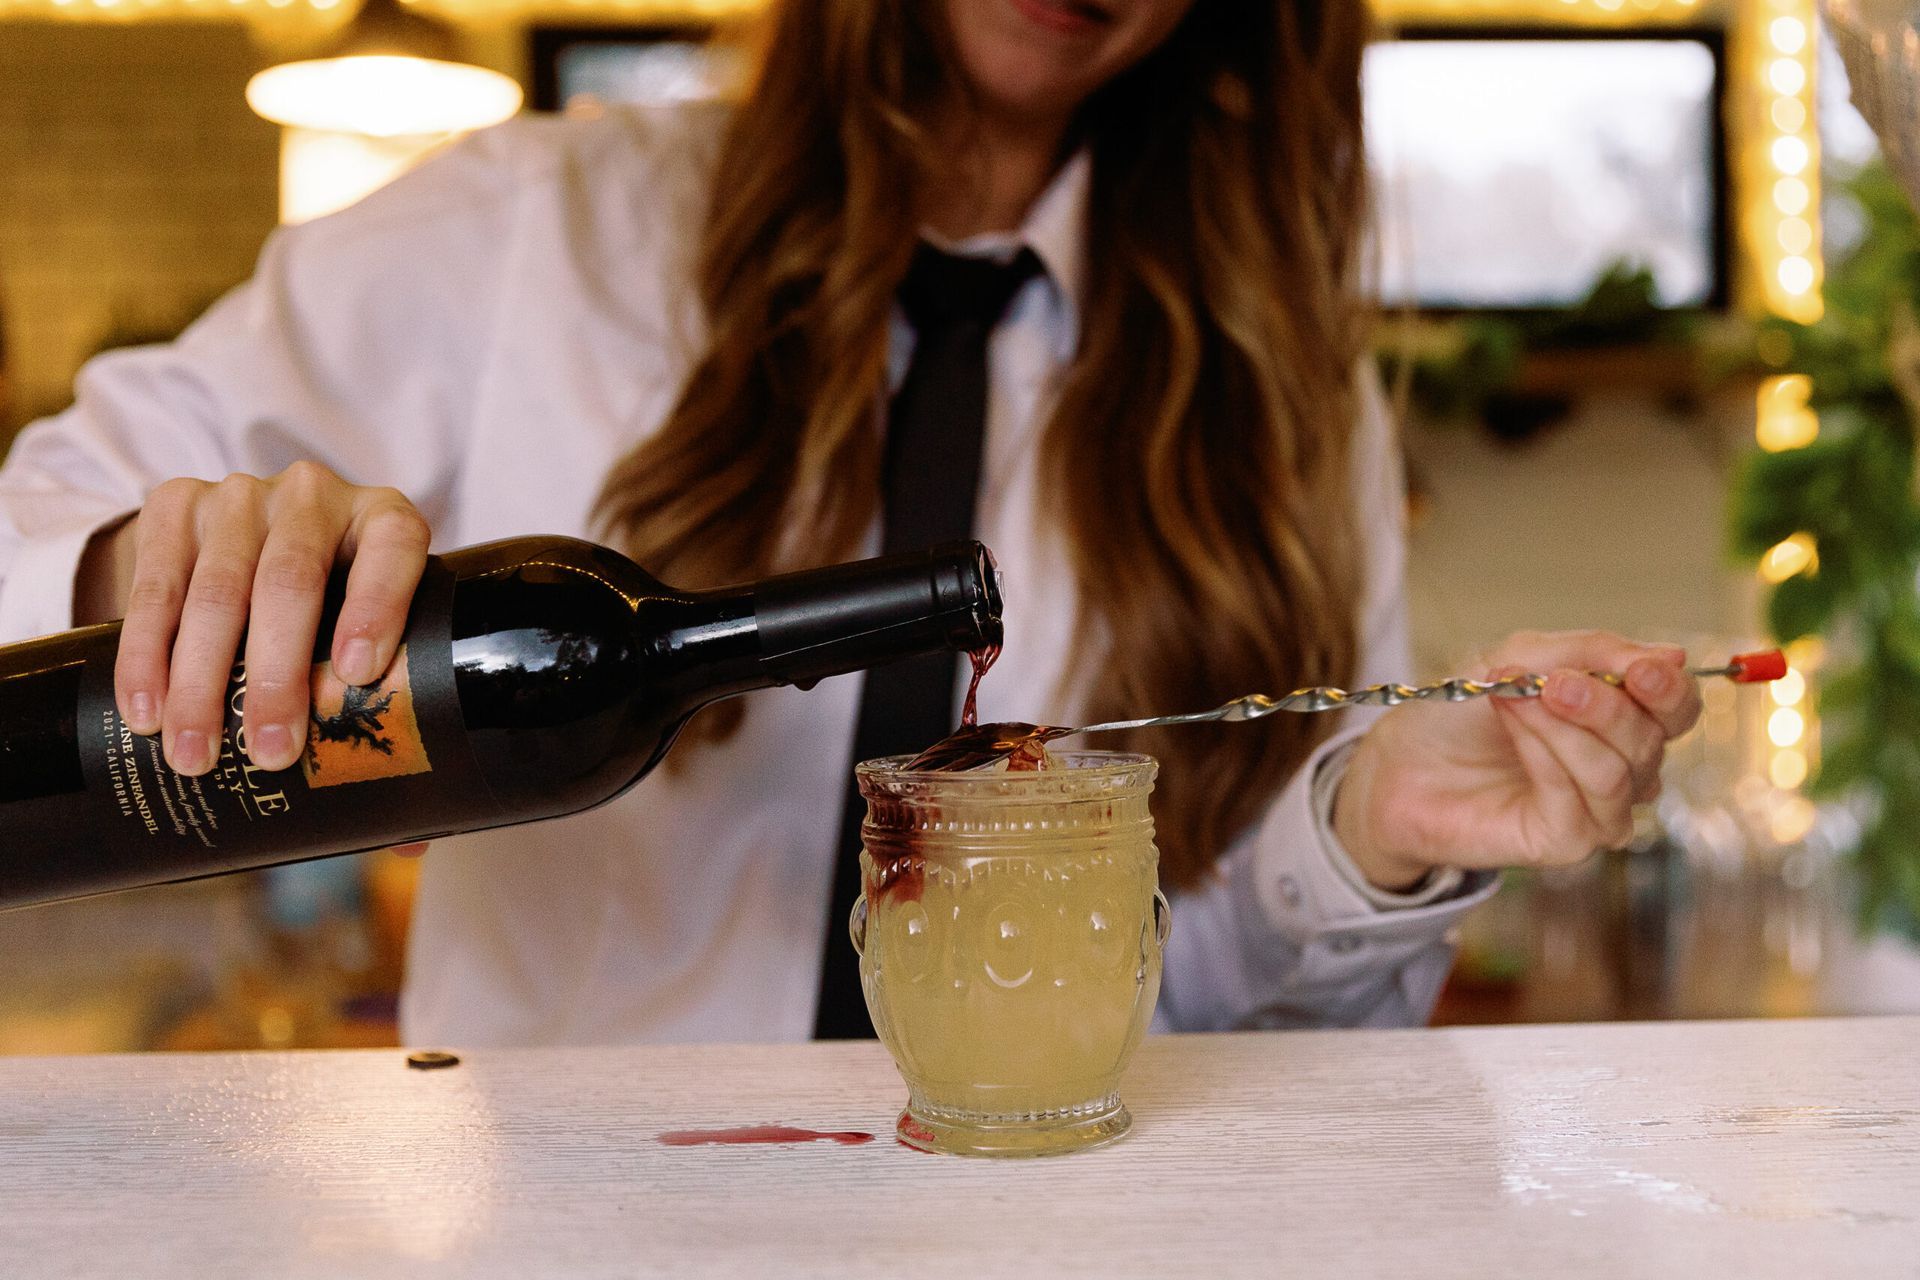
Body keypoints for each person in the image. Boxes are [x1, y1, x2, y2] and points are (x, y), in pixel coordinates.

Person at [0, 0, 1699, 1046]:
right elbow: (43, 512)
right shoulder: (529, 226)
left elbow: (1211, 1006)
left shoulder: (1283, 396)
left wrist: (1372, 831)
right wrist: (162, 567)